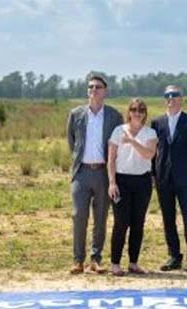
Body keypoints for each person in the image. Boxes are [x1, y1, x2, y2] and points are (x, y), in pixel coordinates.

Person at [67, 74, 123, 274]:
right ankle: (78, 260)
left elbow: (118, 144)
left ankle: (95, 259)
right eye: (90, 87)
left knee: (100, 217)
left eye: (98, 87)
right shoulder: (76, 114)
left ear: (105, 91)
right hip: (82, 172)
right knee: (79, 215)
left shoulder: (114, 116)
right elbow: (72, 142)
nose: (93, 90)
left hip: (103, 173)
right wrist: (79, 162)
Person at [151, 85, 187, 274]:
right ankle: (174, 256)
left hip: (185, 177)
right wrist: (152, 174)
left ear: (182, 98)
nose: (171, 98)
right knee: (168, 218)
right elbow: (152, 152)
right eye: (167, 95)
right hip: (163, 177)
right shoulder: (157, 122)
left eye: (175, 95)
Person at [107, 98, 157, 276]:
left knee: (138, 223)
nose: (137, 113)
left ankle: (133, 263)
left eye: (141, 110)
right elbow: (111, 159)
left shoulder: (150, 133)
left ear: (145, 114)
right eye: (134, 109)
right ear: (129, 112)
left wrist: (133, 141)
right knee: (121, 223)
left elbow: (149, 154)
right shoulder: (117, 131)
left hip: (142, 182)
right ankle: (115, 263)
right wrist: (112, 182)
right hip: (122, 181)